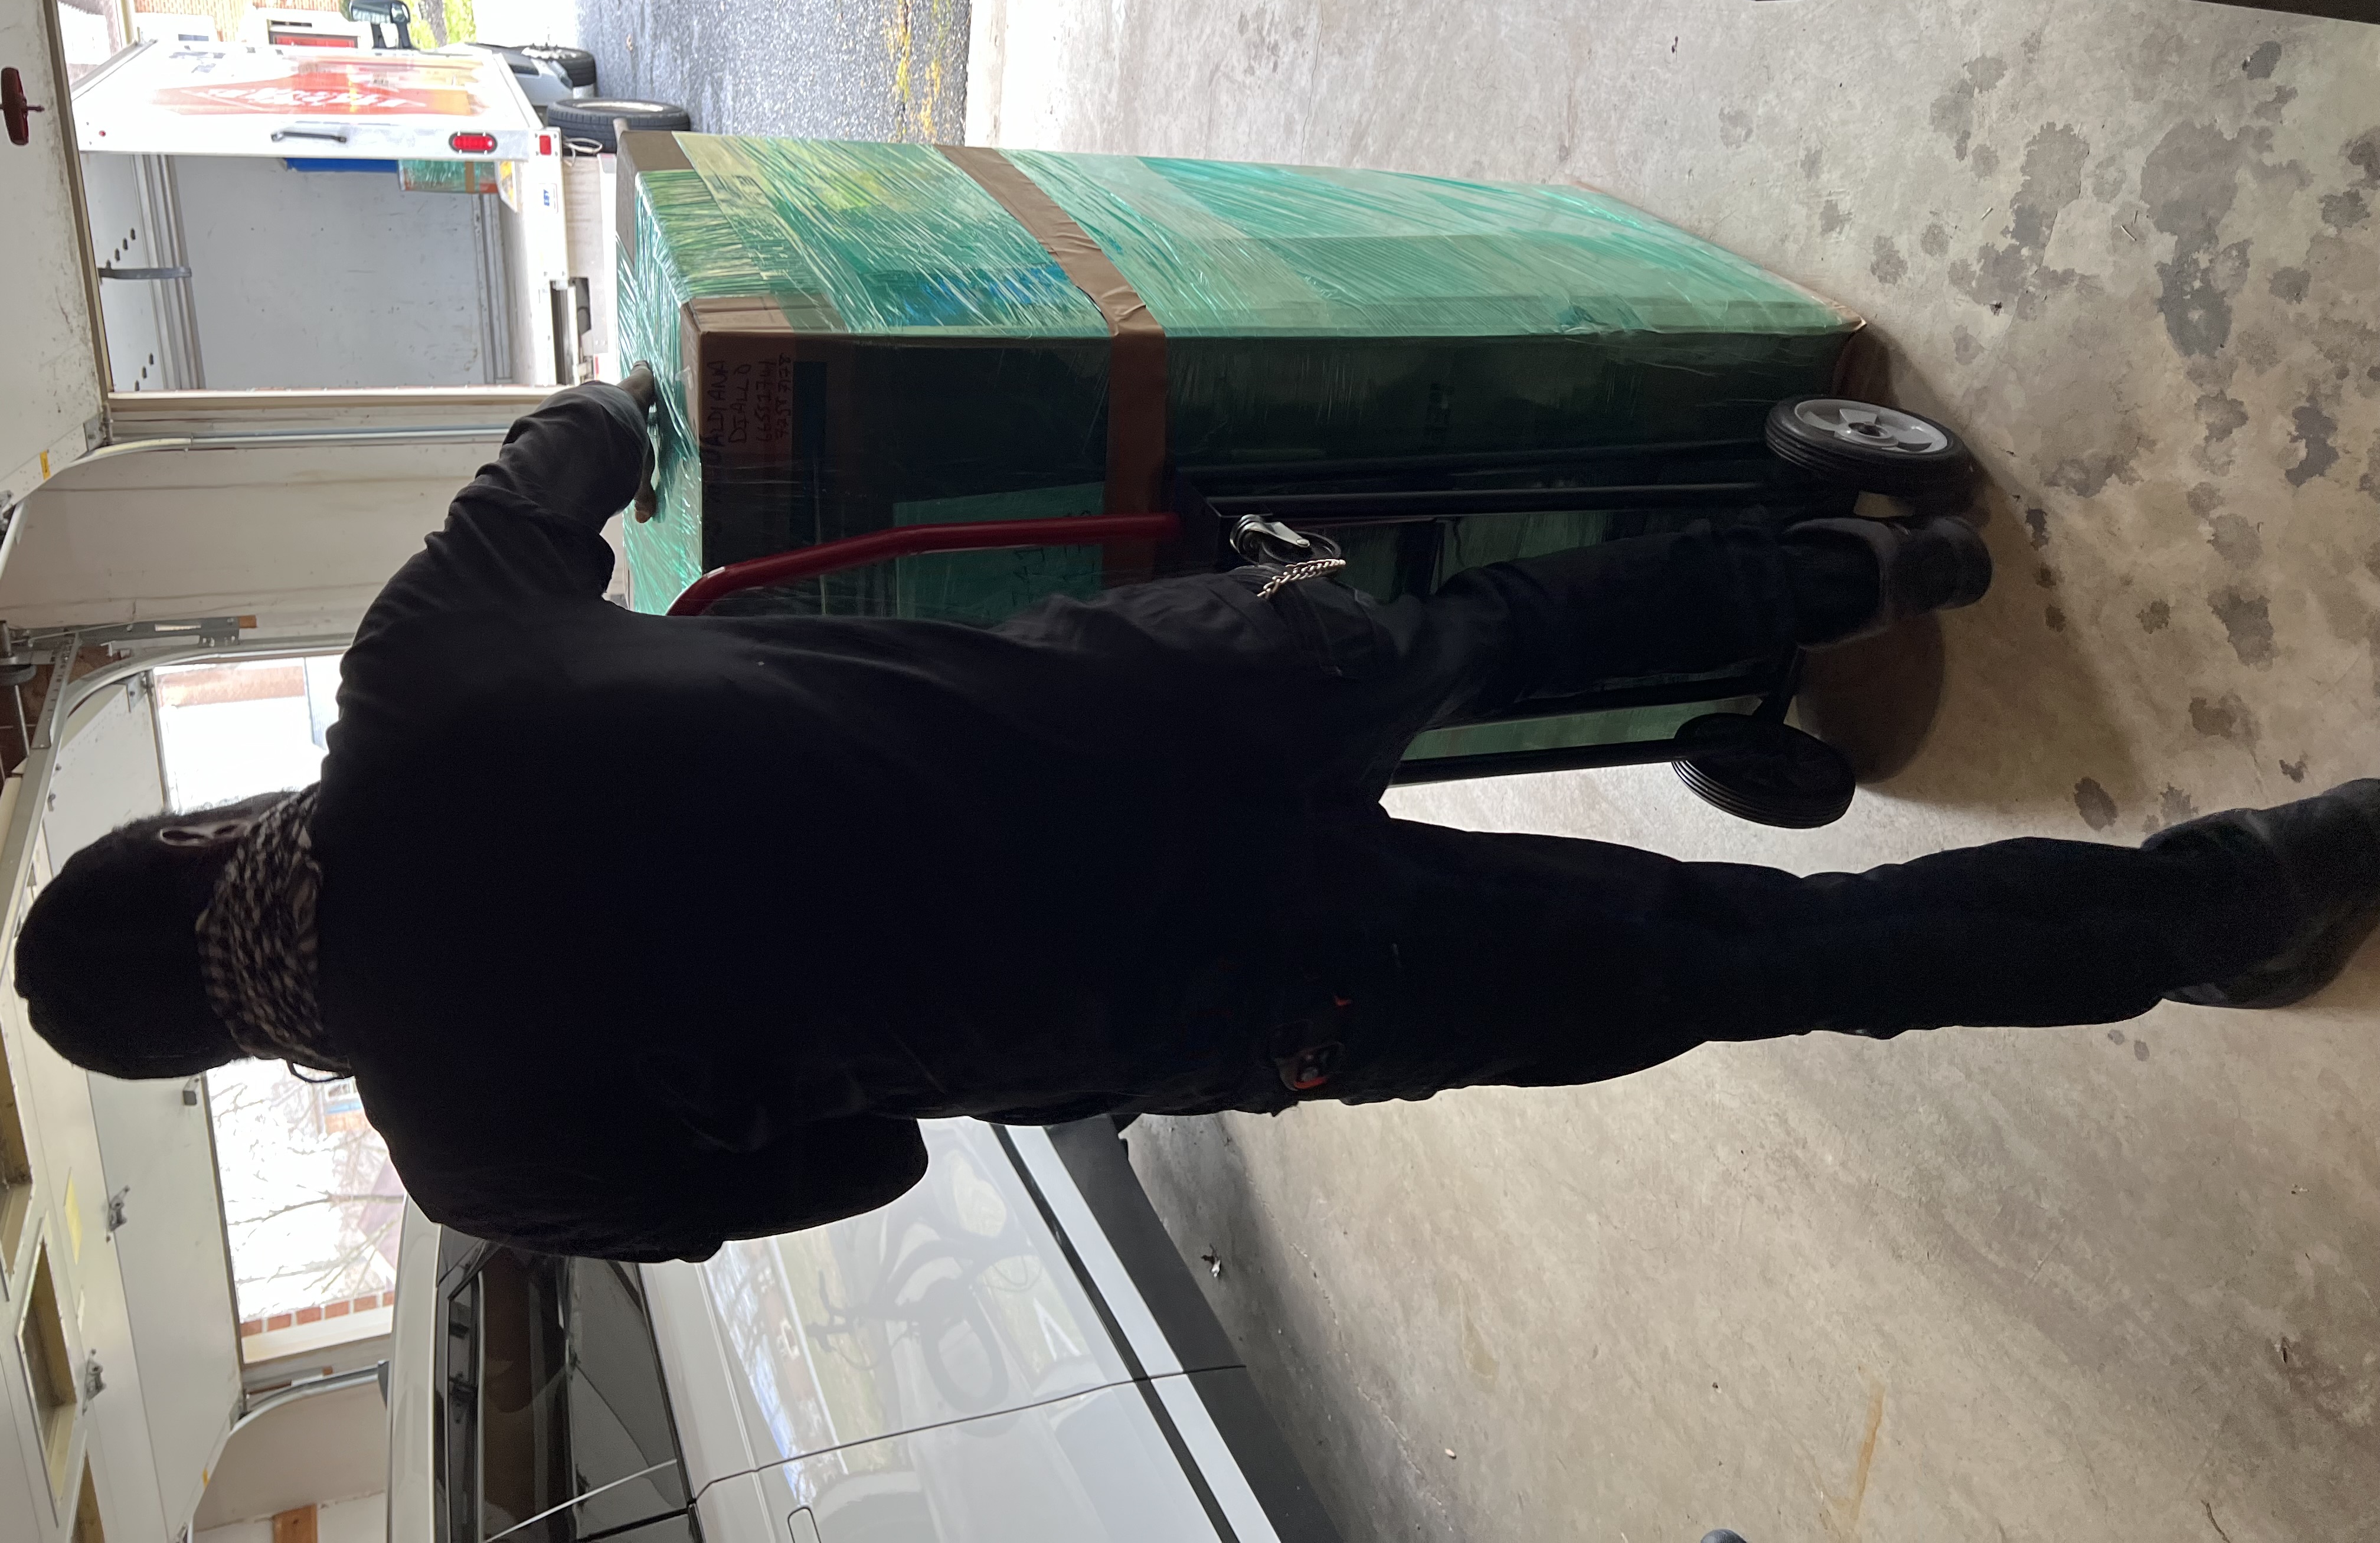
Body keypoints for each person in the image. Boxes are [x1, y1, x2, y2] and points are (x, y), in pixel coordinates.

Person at [15, 373, 2378, 1263]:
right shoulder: (410, 680)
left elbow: (873, 1169)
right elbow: (579, 463)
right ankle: (1874, 560)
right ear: (195, 848)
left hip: (1230, 993)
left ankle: (2237, 900)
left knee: (1757, 969)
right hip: (1157, 716)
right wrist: (604, 443)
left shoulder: (475, 1152)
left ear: (227, 1061)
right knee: (1498, 641)